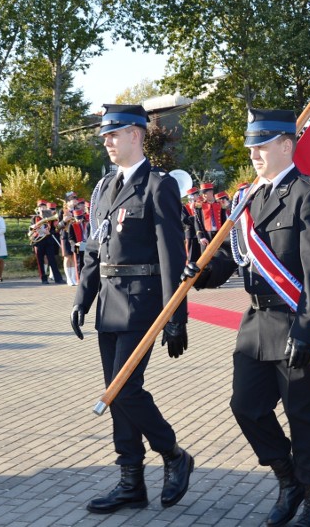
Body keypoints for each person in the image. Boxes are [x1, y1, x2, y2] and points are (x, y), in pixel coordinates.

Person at [184, 108, 310, 527]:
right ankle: (287, 478)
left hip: (295, 321)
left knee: (303, 416)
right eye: (252, 146)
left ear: (286, 145)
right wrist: (201, 272)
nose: (254, 153)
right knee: (246, 407)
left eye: (263, 144)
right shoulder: (247, 197)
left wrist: (307, 331)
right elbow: (234, 258)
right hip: (254, 324)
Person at [69, 104, 193, 515]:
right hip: (107, 302)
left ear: (136, 135)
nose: (106, 141)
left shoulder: (158, 185)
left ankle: (173, 452)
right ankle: (130, 482)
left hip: (142, 301)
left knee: (123, 389)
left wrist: (177, 316)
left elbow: (172, 255)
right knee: (116, 393)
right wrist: (81, 299)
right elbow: (93, 246)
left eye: (113, 134)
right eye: (104, 135)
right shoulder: (104, 187)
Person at [195, 182, 225, 249]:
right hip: (206, 234)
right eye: (203, 194)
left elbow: (224, 220)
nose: (203, 196)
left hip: (219, 233)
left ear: (211, 192)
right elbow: (197, 222)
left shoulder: (220, 204)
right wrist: (200, 237)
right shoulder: (199, 206)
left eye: (205, 193)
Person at [182, 187, 202, 261]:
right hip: (191, 233)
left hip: (201, 234)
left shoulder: (200, 205)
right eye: (194, 195)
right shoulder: (185, 207)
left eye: (196, 195)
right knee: (191, 254)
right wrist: (195, 218)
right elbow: (184, 220)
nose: (197, 197)